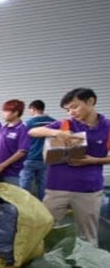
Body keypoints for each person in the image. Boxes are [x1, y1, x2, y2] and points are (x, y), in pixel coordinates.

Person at [28, 87, 109, 244]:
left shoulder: (108, 127)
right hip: (56, 188)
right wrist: (56, 133)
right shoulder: (64, 124)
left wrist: (94, 160)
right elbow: (32, 131)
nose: (71, 112)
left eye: (74, 107)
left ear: (91, 101)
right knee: (42, 230)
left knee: (87, 236)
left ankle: (87, 267)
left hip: (88, 190)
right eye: (67, 109)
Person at [0, 99, 31, 186]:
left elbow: (22, 151)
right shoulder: (3, 128)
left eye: (6, 111)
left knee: (12, 198)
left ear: (16, 112)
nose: (3, 113)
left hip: (12, 173)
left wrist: (3, 165)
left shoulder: (22, 129)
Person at [21, 99, 55, 199]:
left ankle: (25, 207)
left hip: (30, 157)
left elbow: (22, 141)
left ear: (33, 109)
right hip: (47, 158)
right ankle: (43, 208)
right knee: (43, 185)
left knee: (25, 184)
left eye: (30, 110)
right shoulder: (54, 122)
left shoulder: (28, 123)